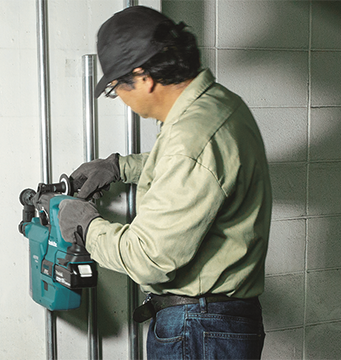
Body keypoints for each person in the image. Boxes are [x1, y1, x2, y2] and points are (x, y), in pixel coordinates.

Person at [56, 6, 272, 359]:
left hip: (198, 327)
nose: (121, 99)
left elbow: (148, 258)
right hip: (216, 323)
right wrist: (119, 167)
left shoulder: (191, 139)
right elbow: (194, 172)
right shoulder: (220, 106)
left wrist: (86, 226)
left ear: (142, 76)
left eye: (115, 88)